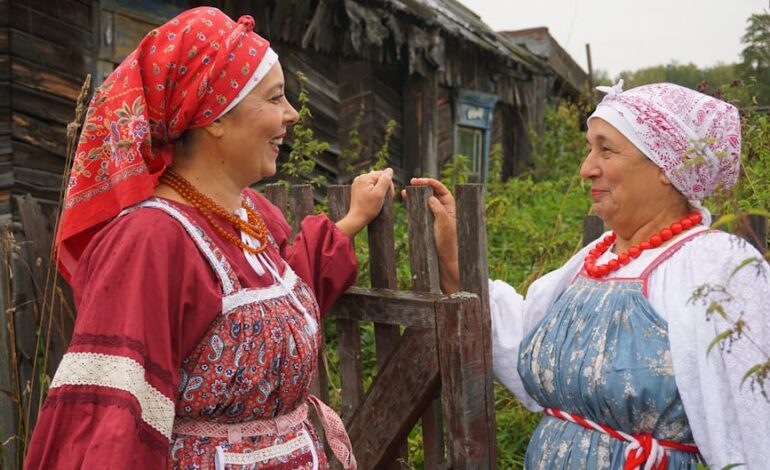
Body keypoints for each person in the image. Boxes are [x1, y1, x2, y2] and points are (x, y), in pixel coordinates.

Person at [25, 7, 393, 469]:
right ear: (215, 115)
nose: (292, 114)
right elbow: (112, 421)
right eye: (275, 98)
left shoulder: (251, 215)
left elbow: (279, 311)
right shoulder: (150, 241)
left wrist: (354, 219)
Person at [411, 81, 770, 469]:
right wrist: (454, 258)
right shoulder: (595, 256)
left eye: (606, 149)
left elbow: (754, 427)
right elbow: (521, 339)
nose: (586, 169)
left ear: (667, 166)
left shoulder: (717, 265)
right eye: (588, 148)